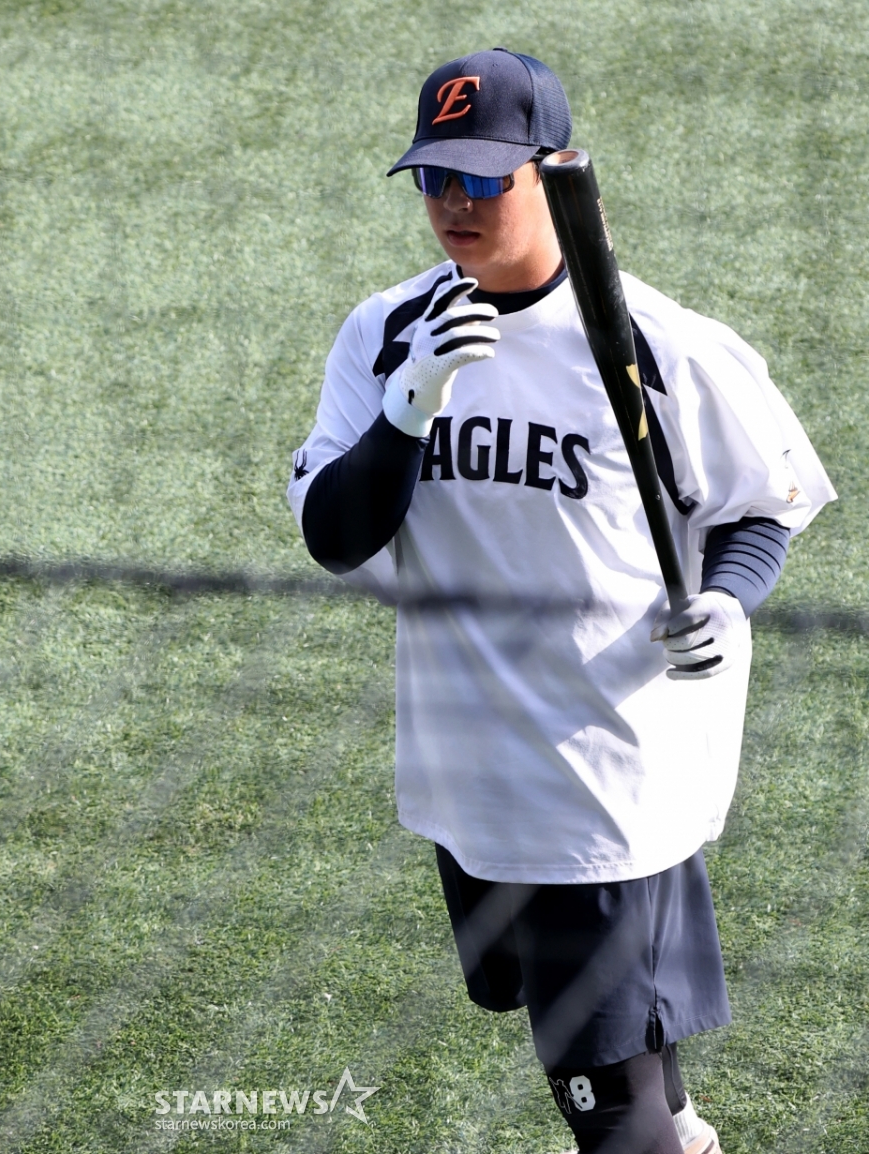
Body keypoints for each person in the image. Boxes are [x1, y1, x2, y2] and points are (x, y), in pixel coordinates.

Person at [287, 48, 835, 1154]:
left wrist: (730, 601)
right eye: (434, 177)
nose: (454, 203)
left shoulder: (660, 345)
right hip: (466, 772)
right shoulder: (386, 334)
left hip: (607, 779)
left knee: (607, 1109)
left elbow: (763, 501)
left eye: (482, 179)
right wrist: (407, 408)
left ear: (555, 172)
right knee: (641, 1077)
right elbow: (335, 537)